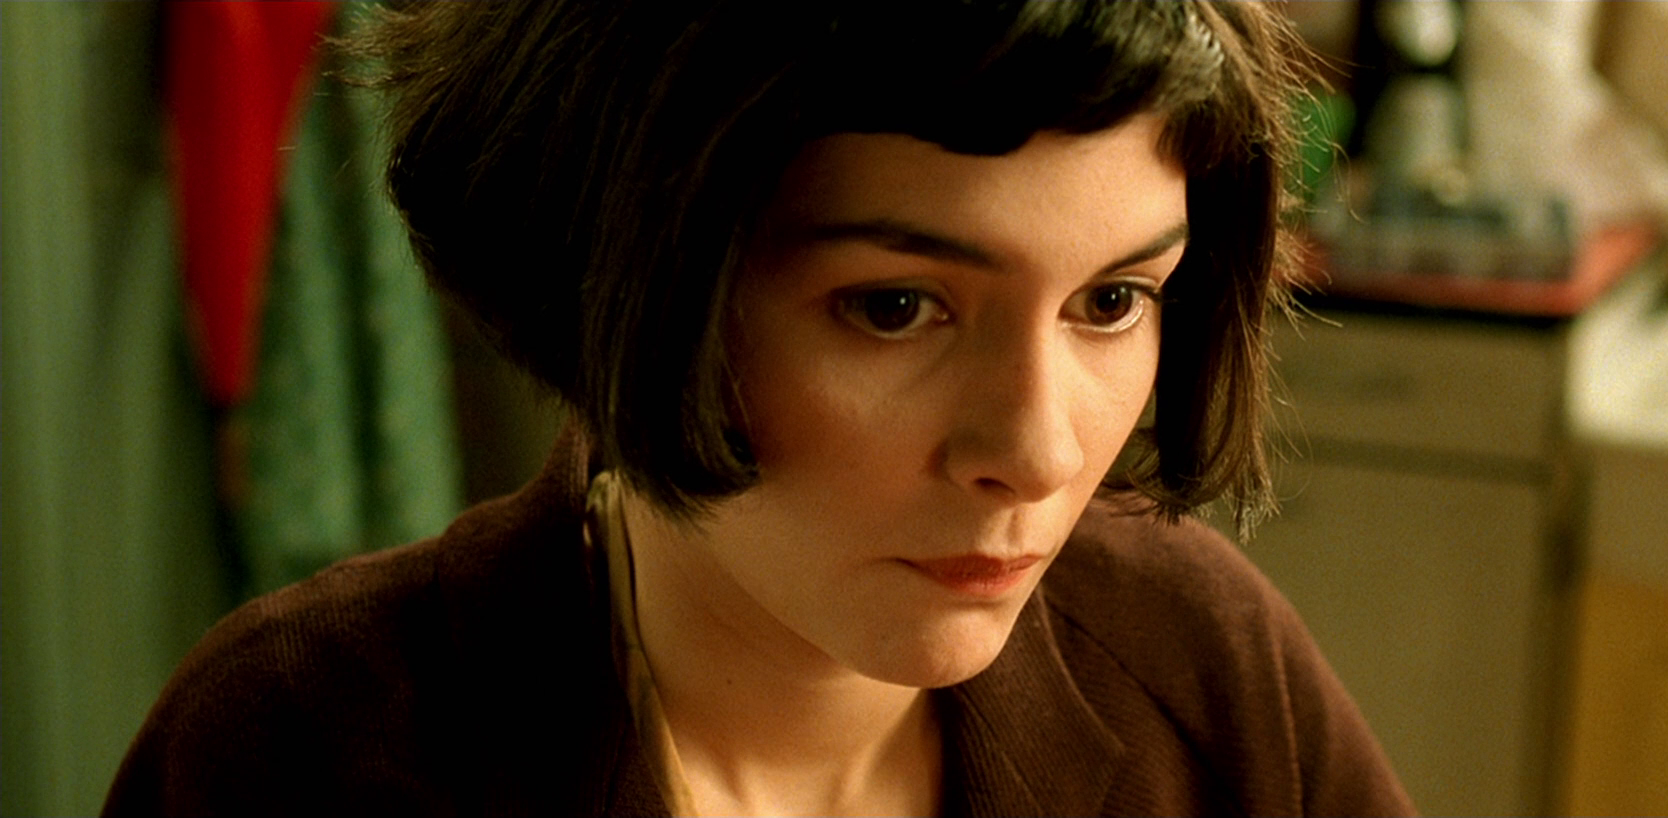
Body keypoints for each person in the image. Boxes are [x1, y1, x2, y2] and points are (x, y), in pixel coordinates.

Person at [105, 2, 1414, 815]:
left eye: (1113, 301)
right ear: (625, 266)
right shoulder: (300, 749)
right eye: (894, 308)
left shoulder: (1199, 664)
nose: (1038, 448)